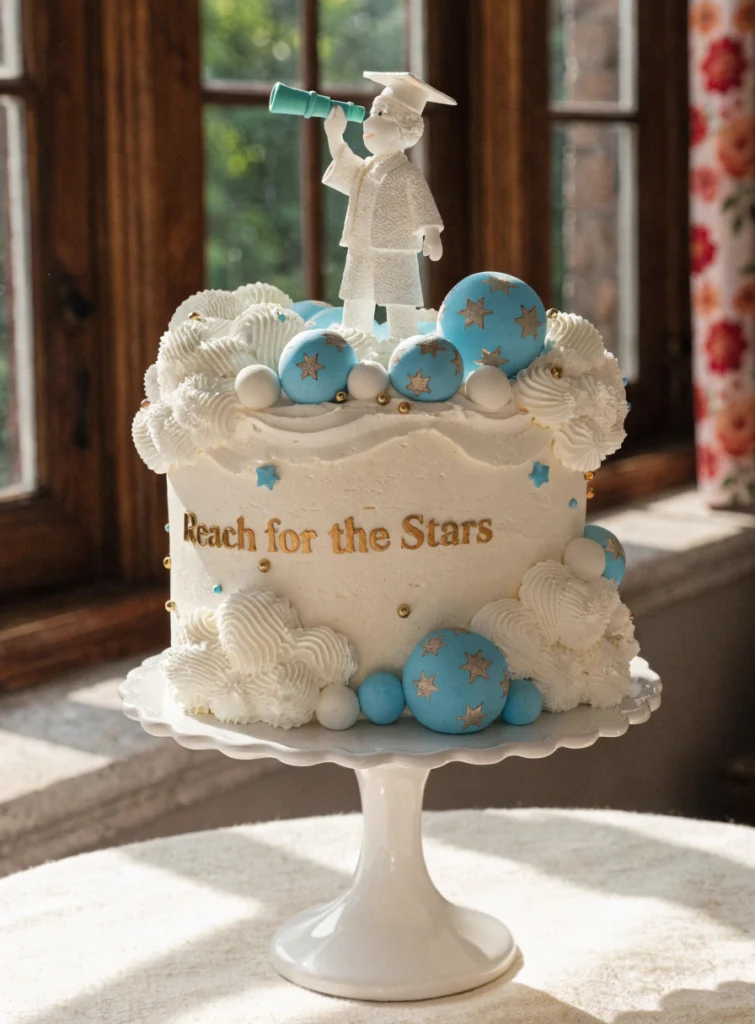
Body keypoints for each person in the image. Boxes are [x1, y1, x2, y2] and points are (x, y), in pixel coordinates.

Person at [322, 71, 456, 340]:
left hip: (396, 249)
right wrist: (334, 135)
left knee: (400, 302)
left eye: (381, 115)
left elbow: (422, 203)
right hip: (361, 246)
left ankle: (403, 344)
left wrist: (431, 233)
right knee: (357, 298)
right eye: (373, 112)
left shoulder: (407, 173)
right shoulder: (365, 169)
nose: (369, 122)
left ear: (405, 131)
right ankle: (354, 339)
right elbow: (346, 166)